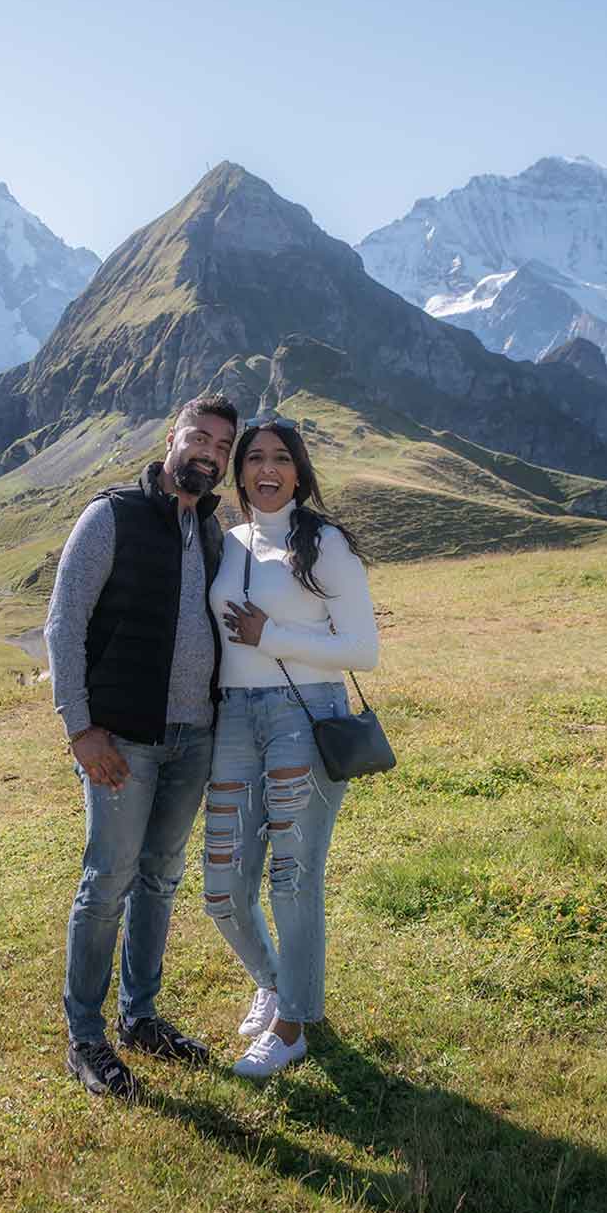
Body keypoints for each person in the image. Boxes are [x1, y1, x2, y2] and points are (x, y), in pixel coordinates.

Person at [45, 392, 239, 1100]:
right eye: (200, 437)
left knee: (160, 878)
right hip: (122, 740)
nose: (209, 453)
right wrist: (80, 726)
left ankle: (141, 1017)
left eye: (222, 446)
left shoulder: (215, 534)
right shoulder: (112, 517)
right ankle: (85, 1038)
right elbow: (64, 625)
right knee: (107, 883)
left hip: (194, 739)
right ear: (171, 436)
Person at [204, 413, 378, 1079]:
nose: (267, 469)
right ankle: (277, 982)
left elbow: (363, 649)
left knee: (291, 878)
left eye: (280, 458)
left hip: (303, 717)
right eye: (254, 459)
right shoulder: (232, 541)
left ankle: (293, 1024)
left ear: (299, 471)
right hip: (235, 722)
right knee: (222, 887)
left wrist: (269, 635)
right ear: (239, 471)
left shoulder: (325, 542)